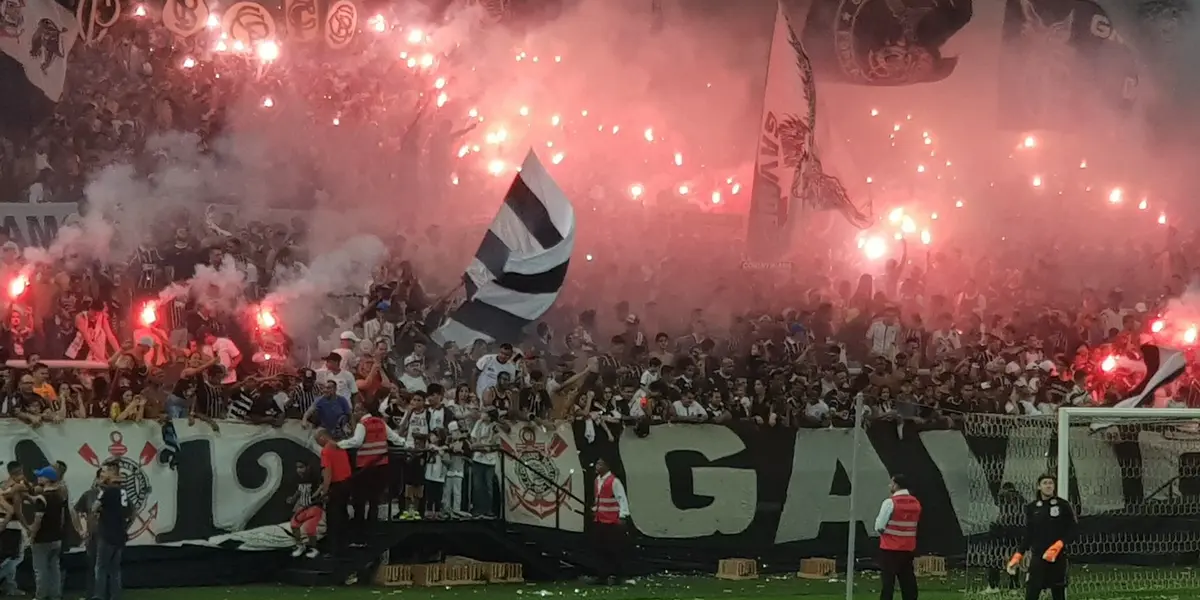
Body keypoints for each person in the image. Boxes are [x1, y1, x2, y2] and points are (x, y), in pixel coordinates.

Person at [338, 400, 406, 537]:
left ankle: (360, 532)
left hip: (366, 468)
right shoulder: (381, 422)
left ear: (363, 411)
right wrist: (405, 443)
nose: (354, 413)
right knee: (374, 500)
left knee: (360, 500)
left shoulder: (362, 424)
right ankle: (372, 529)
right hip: (381, 467)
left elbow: (356, 441)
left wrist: (338, 444)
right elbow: (395, 438)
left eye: (356, 410)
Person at [1007, 475, 1076, 600]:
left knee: (1058, 593)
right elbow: (1028, 533)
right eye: (1045, 483)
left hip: (1058, 557)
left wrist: (1059, 545)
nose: (1048, 486)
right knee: (1032, 591)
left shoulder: (1063, 505)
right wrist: (1018, 555)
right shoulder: (1032, 508)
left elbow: (1073, 530)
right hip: (1038, 556)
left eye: (1051, 483)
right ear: (1039, 487)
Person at [874, 473, 920, 600]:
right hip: (908, 547)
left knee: (888, 583)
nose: (890, 485)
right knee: (908, 581)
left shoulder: (890, 503)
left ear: (896, 485)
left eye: (891, 483)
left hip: (890, 548)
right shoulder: (915, 503)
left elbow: (879, 526)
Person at [93, 461, 131, 600]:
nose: (104, 473)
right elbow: (129, 513)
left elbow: (94, 508)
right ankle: (115, 596)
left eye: (107, 470)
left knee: (101, 568)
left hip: (107, 534)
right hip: (120, 534)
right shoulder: (123, 491)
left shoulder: (107, 491)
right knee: (115, 570)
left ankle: (99, 596)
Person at [590, 458, 629, 585]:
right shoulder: (597, 481)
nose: (597, 466)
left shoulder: (614, 481)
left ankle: (617, 576)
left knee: (613, 549)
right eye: (597, 463)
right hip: (600, 519)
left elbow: (621, 498)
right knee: (600, 549)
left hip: (612, 520)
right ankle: (602, 575)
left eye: (600, 464)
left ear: (607, 466)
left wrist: (623, 515)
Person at [29, 466, 65, 600]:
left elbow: (38, 519)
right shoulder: (59, 496)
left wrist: (32, 536)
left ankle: (40, 596)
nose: (38, 478)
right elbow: (61, 518)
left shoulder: (42, 498)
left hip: (42, 539)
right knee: (54, 569)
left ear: (47, 479)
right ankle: (55, 595)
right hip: (56, 538)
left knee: (40, 570)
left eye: (41, 476)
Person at [317, 428, 353, 556]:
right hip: (347, 483)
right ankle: (345, 545)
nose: (318, 444)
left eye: (318, 441)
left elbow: (328, 473)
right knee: (343, 514)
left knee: (333, 518)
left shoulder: (326, 451)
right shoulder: (340, 447)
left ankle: (333, 549)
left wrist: (324, 492)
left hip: (336, 485)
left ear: (322, 437)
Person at [287, 461, 323, 559]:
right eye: (297, 467)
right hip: (303, 507)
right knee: (294, 525)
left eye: (301, 467)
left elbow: (322, 486)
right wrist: (293, 499)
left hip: (314, 507)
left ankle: (314, 549)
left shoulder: (314, 478)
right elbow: (299, 490)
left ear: (308, 467)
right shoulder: (299, 479)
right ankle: (300, 546)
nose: (299, 470)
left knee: (310, 529)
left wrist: (315, 495)